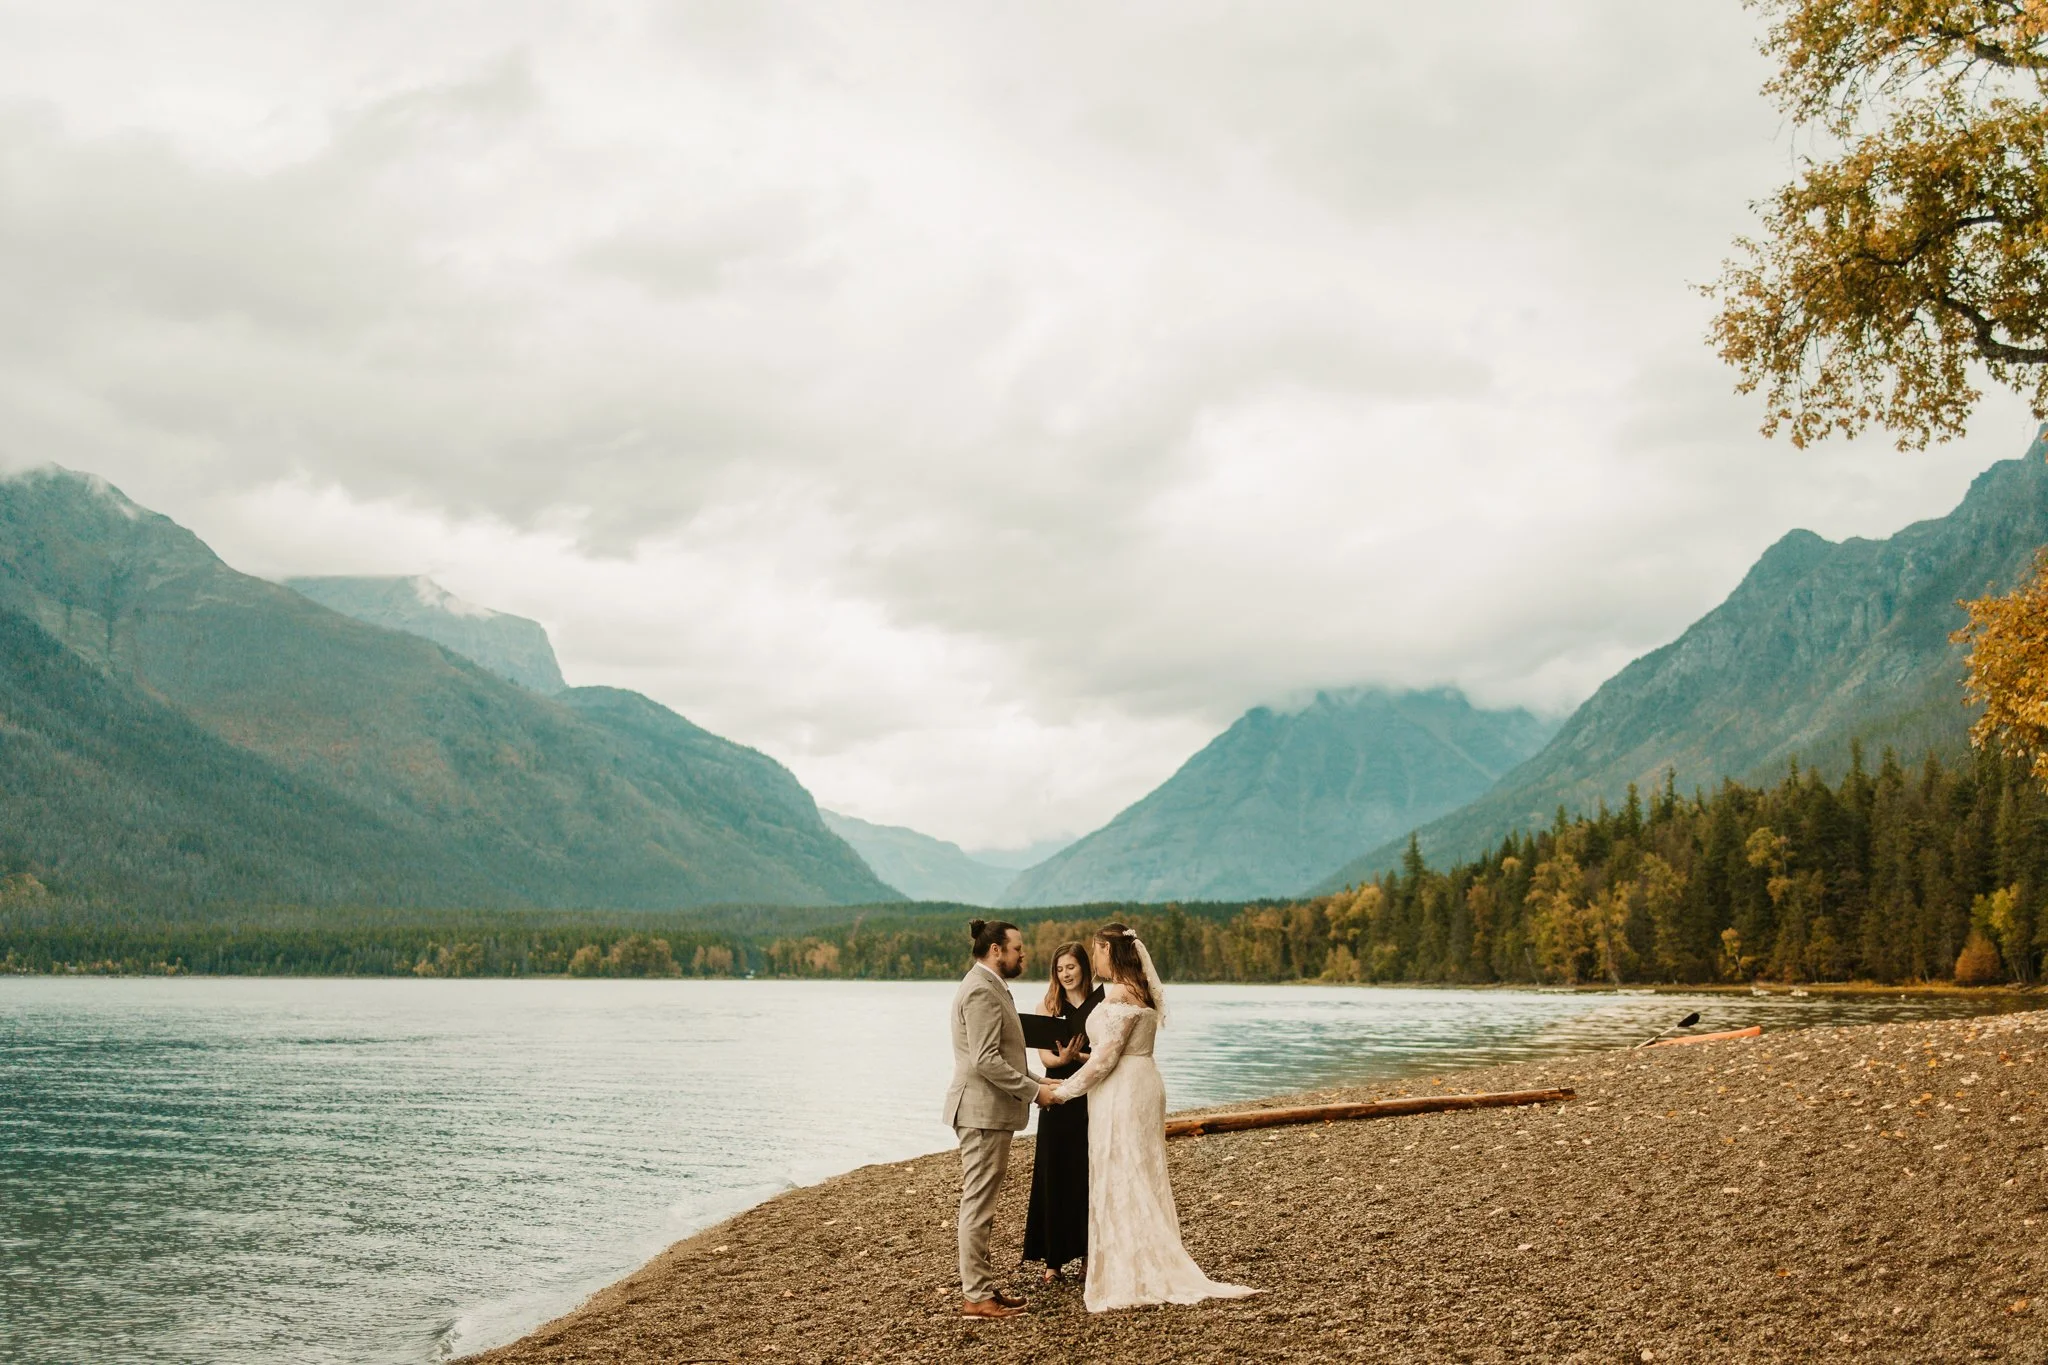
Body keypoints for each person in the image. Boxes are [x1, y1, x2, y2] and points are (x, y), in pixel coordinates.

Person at [1047, 925, 1259, 1313]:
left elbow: (1106, 1059)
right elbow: (1112, 1053)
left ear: (1108, 950)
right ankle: (1138, 1254)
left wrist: (1060, 1092)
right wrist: (1075, 1066)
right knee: (1139, 1169)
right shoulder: (1140, 989)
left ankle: (1133, 1268)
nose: (1093, 960)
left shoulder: (1120, 994)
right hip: (1141, 1079)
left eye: (1096, 951)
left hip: (1123, 1089)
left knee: (1121, 1167)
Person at [942, 918, 1060, 1320]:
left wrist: (1040, 1080)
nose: (1022, 954)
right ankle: (976, 1297)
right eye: (1017, 948)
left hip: (988, 1111)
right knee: (977, 1205)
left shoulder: (991, 986)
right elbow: (985, 1060)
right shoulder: (979, 990)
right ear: (996, 950)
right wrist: (1034, 1092)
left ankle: (983, 1287)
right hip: (980, 1113)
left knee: (983, 1204)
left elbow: (1006, 1057)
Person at [1020, 941, 1101, 1281]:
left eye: (1071, 967)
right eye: (1059, 969)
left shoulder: (1102, 1004)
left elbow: (1110, 1053)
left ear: (1084, 966)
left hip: (1092, 1093)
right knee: (1053, 1172)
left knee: (1087, 1173)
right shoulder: (1047, 1004)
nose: (1065, 974)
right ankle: (1053, 1261)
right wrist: (1064, 1060)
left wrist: (1080, 1059)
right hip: (1057, 1093)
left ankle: (1087, 1256)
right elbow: (1045, 1059)